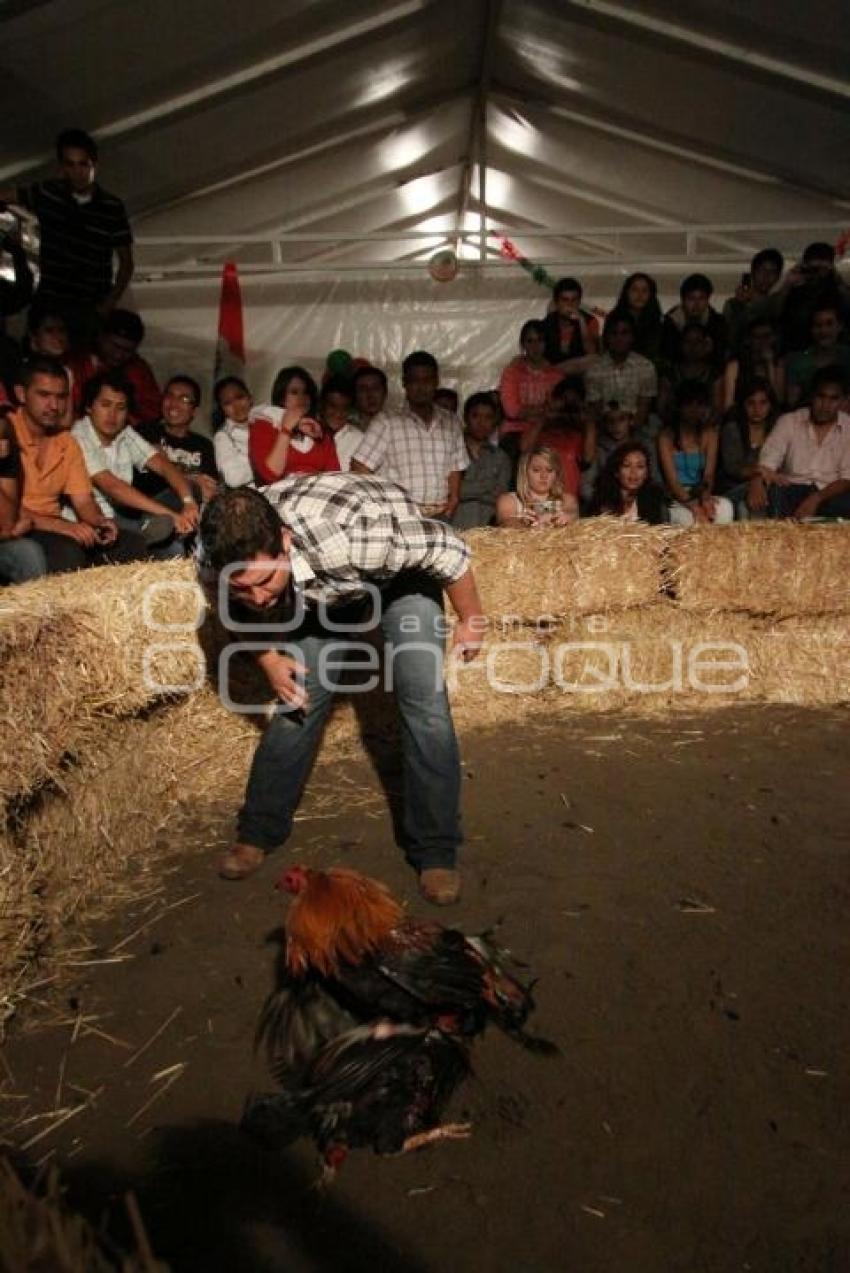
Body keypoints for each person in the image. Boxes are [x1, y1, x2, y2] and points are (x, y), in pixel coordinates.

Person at [199, 476, 485, 906]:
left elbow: (448, 549)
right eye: (243, 587)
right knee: (297, 698)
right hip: (322, 586)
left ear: (284, 540)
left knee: (424, 702)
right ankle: (257, 832)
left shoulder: (357, 535)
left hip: (401, 575)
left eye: (263, 581)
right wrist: (269, 658)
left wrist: (471, 619)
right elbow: (228, 606)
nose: (257, 599)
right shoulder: (212, 560)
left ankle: (436, 852)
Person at [8, 357, 147, 572]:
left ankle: (113, 604)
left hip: (53, 525)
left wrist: (100, 522)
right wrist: (63, 526)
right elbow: (7, 509)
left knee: (131, 544)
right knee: (68, 551)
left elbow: (83, 501)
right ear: (21, 394)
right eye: (44, 395)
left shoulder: (67, 442)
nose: (54, 406)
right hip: (15, 525)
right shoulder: (5, 432)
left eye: (61, 397)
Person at [3, 129, 133, 340]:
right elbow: (10, 196)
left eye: (83, 164)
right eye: (70, 165)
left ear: (94, 165)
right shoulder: (48, 193)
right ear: (62, 167)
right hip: (51, 301)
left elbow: (126, 262)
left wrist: (107, 304)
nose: (77, 172)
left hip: (90, 304)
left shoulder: (111, 207)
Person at [72, 372, 198, 556]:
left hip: (127, 514)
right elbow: (113, 487)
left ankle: (150, 528)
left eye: (120, 407)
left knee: (192, 489)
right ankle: (145, 532)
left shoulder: (125, 432)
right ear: (89, 407)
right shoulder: (78, 436)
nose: (112, 415)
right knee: (172, 548)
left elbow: (162, 464)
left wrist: (188, 502)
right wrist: (172, 516)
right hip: (99, 521)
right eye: (105, 405)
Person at [352, 351, 467, 518]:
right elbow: (359, 466)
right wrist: (379, 504)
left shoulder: (451, 422)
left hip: (441, 514)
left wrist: (454, 497)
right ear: (404, 383)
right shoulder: (387, 421)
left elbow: (455, 466)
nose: (421, 387)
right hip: (400, 516)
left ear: (436, 382)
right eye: (414, 381)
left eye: (427, 380)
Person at [749, 366, 850, 520]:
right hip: (792, 490)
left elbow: (847, 478)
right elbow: (767, 465)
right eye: (820, 397)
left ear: (843, 401)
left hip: (830, 493)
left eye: (833, 399)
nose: (825, 405)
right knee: (775, 493)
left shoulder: (848, 427)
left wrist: (816, 498)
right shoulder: (789, 421)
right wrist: (757, 480)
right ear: (811, 396)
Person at [658, 380, 734, 526]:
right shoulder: (666, 437)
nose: (695, 410)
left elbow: (708, 475)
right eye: (690, 405)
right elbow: (672, 482)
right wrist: (693, 506)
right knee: (688, 520)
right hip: (677, 497)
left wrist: (705, 499)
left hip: (700, 492)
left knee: (725, 508)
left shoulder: (710, 434)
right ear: (680, 407)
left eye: (700, 405)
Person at [135, 375, 219, 505]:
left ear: (194, 411)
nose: (174, 403)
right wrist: (191, 479)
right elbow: (153, 472)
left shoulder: (204, 445)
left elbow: (208, 488)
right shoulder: (146, 432)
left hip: (190, 511)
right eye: (170, 396)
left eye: (184, 399)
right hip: (149, 508)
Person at [250, 366, 339, 485]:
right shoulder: (263, 426)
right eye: (294, 392)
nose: (302, 398)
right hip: (279, 495)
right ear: (282, 398)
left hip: (318, 494)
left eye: (306, 392)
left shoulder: (320, 431)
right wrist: (286, 430)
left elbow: (335, 477)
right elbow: (270, 474)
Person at [69, 309, 162, 424]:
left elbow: (153, 411)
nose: (119, 355)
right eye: (115, 346)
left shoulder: (139, 370)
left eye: (127, 350)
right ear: (101, 337)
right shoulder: (76, 363)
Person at [517, 375, 595, 499]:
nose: (566, 408)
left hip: (566, 500)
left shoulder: (578, 436)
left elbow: (588, 458)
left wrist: (586, 420)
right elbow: (524, 448)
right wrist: (546, 415)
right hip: (538, 498)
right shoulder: (540, 430)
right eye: (563, 399)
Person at [498, 320, 565, 457]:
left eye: (540, 340)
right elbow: (512, 410)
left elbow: (558, 409)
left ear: (546, 343)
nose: (535, 346)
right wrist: (543, 411)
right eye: (530, 341)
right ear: (523, 344)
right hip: (515, 431)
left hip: (547, 430)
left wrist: (532, 413)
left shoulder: (556, 375)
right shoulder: (512, 372)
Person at [585, 314, 658, 432]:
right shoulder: (594, 370)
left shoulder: (646, 367)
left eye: (625, 333)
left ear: (632, 337)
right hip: (605, 431)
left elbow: (643, 409)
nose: (619, 338)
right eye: (614, 333)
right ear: (607, 337)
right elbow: (597, 412)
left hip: (637, 430)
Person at [776, 242, 850, 355]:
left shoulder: (837, 291)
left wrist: (837, 280)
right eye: (814, 269)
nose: (818, 274)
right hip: (800, 351)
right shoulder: (796, 293)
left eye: (822, 269)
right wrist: (787, 285)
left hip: (836, 353)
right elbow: (774, 314)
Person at [718, 377, 777, 518]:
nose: (757, 409)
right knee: (753, 499)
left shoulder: (777, 429)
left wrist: (759, 479)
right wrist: (758, 474)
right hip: (733, 488)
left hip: (767, 486)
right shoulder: (733, 429)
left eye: (763, 403)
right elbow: (733, 468)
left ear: (771, 404)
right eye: (751, 403)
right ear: (743, 405)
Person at [451, 392, 511, 530]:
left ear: (495, 421)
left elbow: (500, 498)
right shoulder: (451, 451)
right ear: (465, 418)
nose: (481, 423)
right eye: (475, 416)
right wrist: (488, 485)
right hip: (454, 528)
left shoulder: (501, 457)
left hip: (488, 531)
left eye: (488, 417)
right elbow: (450, 492)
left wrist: (464, 489)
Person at [0, 411, 46, 584]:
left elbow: (7, 523)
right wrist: (9, 534)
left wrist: (9, 533)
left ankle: (36, 609)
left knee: (28, 552)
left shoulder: (5, 441)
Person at [496, 446, 579, 527]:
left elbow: (573, 516)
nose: (544, 476)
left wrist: (566, 519)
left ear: (556, 474)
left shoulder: (567, 500)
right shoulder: (509, 500)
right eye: (536, 470)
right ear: (525, 472)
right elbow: (505, 523)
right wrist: (522, 523)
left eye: (549, 470)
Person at [784, 307, 850, 409]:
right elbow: (792, 402)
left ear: (840, 326)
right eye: (818, 325)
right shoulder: (798, 362)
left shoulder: (847, 355)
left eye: (829, 324)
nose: (824, 330)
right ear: (811, 329)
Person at [722, 248, 784, 354]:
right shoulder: (733, 304)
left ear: (778, 277)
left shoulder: (777, 303)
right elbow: (730, 336)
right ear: (753, 272)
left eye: (772, 272)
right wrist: (741, 305)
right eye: (762, 270)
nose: (766, 276)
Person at [658, 322, 724, 423]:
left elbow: (717, 410)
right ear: (680, 344)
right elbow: (662, 409)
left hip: (708, 428)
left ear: (706, 345)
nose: (693, 347)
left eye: (698, 342)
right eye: (688, 341)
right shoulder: (669, 375)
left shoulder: (715, 376)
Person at [591, 441, 667, 523]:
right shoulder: (602, 500)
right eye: (626, 465)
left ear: (646, 474)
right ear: (616, 472)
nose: (633, 472)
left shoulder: (654, 501)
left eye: (640, 466)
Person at [661, 274, 728, 366]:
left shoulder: (718, 322)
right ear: (683, 300)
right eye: (691, 298)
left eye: (701, 298)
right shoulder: (670, 323)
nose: (696, 304)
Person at [722, 317, 785, 412]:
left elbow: (779, 400)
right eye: (757, 337)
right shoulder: (735, 366)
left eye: (767, 336)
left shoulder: (778, 364)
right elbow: (728, 403)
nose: (763, 341)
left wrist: (769, 365)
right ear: (748, 340)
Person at [541, 277, 600, 367]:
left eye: (574, 300)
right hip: (551, 374)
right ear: (556, 303)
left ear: (579, 302)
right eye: (565, 300)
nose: (570, 305)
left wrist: (581, 322)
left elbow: (591, 354)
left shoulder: (590, 321)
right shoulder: (548, 322)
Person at [608, 272, 664, 365]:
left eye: (644, 290)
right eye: (635, 290)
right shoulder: (614, 318)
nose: (639, 295)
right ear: (626, 292)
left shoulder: (656, 322)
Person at [212, 376, 254, 488]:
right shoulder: (223, 437)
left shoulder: (269, 419)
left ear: (250, 398)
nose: (236, 405)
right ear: (222, 409)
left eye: (239, 397)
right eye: (227, 403)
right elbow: (233, 478)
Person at [319, 375, 363, 471]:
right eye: (333, 406)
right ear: (322, 405)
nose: (338, 413)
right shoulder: (309, 433)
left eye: (345, 408)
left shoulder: (359, 440)